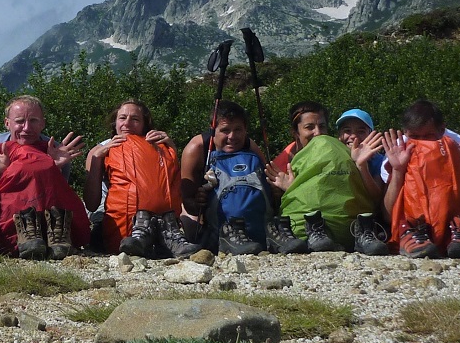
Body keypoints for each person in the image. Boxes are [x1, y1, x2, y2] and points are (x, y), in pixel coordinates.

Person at [0, 95, 89, 259]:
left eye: (33, 121)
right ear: (7, 123)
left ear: (42, 124)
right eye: (19, 121)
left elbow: (56, 199)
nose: (26, 128)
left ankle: (45, 235)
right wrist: (5, 173)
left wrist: (51, 168)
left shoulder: (57, 151)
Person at [179, 100, 300, 255]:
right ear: (212, 130)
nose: (232, 136)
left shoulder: (250, 147)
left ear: (245, 130)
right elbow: (187, 201)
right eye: (225, 130)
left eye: (238, 130)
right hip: (207, 218)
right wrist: (200, 200)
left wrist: (276, 192)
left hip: (254, 220)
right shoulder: (196, 149)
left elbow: (268, 184)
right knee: (187, 218)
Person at [84, 99, 199, 258]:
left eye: (135, 119)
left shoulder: (157, 146)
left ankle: (156, 235)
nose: (127, 124)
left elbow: (173, 191)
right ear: (115, 122)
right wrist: (97, 159)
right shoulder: (99, 149)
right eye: (122, 118)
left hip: (159, 219)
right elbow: (91, 203)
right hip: (110, 219)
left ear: (145, 124)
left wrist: (170, 149)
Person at [265, 101, 384, 254]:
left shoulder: (336, 151)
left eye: (322, 126)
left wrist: (360, 165)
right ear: (295, 133)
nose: (318, 133)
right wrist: (290, 189)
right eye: (309, 127)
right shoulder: (284, 161)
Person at [382, 100, 460, 258]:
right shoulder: (398, 148)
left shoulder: (458, 145)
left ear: (441, 130)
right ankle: (411, 230)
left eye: (428, 136)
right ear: (406, 132)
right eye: (415, 137)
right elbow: (388, 215)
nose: (422, 143)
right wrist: (398, 170)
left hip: (450, 222)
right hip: (413, 219)